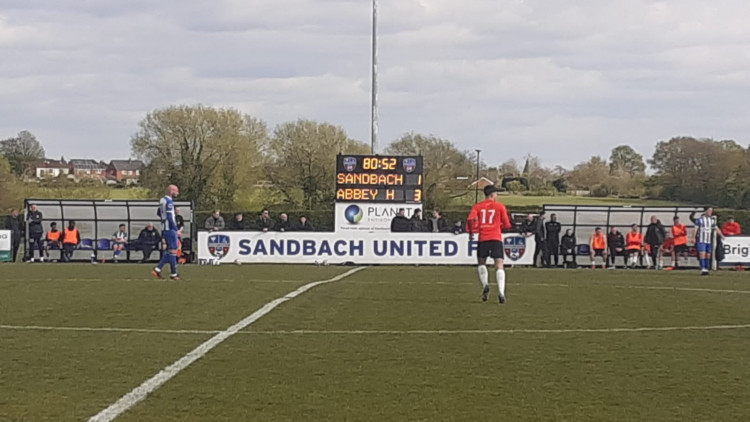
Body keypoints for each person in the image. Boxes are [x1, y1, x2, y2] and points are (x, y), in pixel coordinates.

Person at [467, 185, 512, 304]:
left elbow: (470, 219)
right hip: (496, 238)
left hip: (483, 238)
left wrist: (471, 233)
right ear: (492, 194)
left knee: (481, 263)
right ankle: (501, 293)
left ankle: (486, 284)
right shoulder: (500, 206)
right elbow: (507, 225)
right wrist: (499, 225)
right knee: (499, 264)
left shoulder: (478, 206)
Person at [152, 185, 181, 280]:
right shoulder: (169, 201)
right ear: (171, 191)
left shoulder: (162, 200)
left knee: (170, 251)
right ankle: (173, 274)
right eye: (176, 191)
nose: (177, 193)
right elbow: (169, 216)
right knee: (173, 250)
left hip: (164, 227)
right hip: (170, 228)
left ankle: (157, 269)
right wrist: (176, 229)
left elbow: (158, 213)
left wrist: (163, 220)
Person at [690, 207, 723, 276]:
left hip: (708, 241)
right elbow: (695, 229)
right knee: (702, 254)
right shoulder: (700, 220)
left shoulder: (712, 220)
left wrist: (722, 235)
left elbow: (716, 228)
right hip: (701, 240)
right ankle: (703, 268)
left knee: (708, 255)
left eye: (711, 211)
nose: (710, 212)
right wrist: (693, 238)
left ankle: (706, 268)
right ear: (705, 211)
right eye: (709, 211)